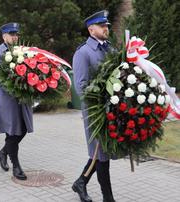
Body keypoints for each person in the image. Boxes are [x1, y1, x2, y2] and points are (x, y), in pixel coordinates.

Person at [72, 10, 115, 202]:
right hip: (95, 112)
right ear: (91, 30)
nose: (106, 28)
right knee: (101, 154)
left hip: (112, 110)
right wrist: (98, 105)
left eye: (106, 25)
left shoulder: (110, 49)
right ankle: (108, 198)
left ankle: (81, 182)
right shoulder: (83, 52)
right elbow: (81, 86)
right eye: (102, 26)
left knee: (100, 152)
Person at [0, 23, 33, 180]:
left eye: (16, 34)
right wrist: (19, 86)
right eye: (11, 34)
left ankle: (3, 153)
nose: (15, 37)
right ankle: (16, 166)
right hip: (7, 99)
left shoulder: (22, 51)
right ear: (4, 36)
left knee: (23, 130)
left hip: (22, 99)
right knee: (12, 132)